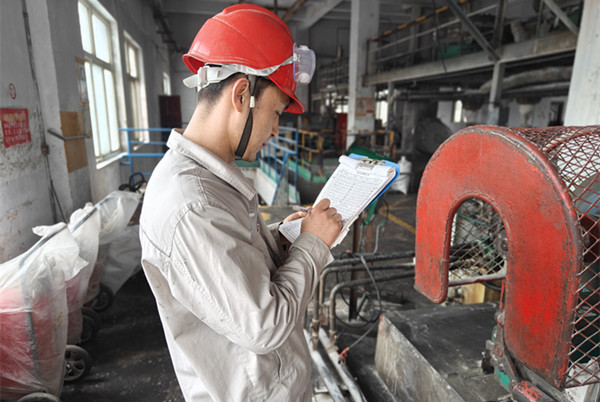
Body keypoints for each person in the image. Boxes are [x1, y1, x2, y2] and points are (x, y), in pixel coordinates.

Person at [139, 4, 342, 401]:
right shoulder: (193, 206)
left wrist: (282, 239)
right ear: (242, 95)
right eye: (276, 112)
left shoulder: (210, 180)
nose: (276, 130)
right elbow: (265, 325)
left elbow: (233, 259)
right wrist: (313, 245)